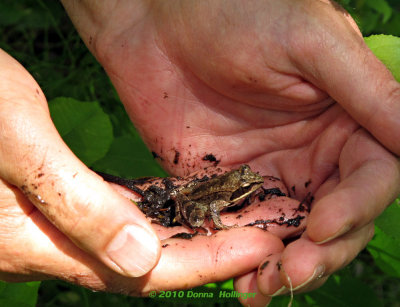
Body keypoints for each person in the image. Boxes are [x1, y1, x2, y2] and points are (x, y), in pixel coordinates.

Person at [0, 0, 399, 305]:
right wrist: (216, 225)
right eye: (249, 187)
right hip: (197, 200)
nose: (253, 188)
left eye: (251, 187)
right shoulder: (226, 195)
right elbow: (208, 207)